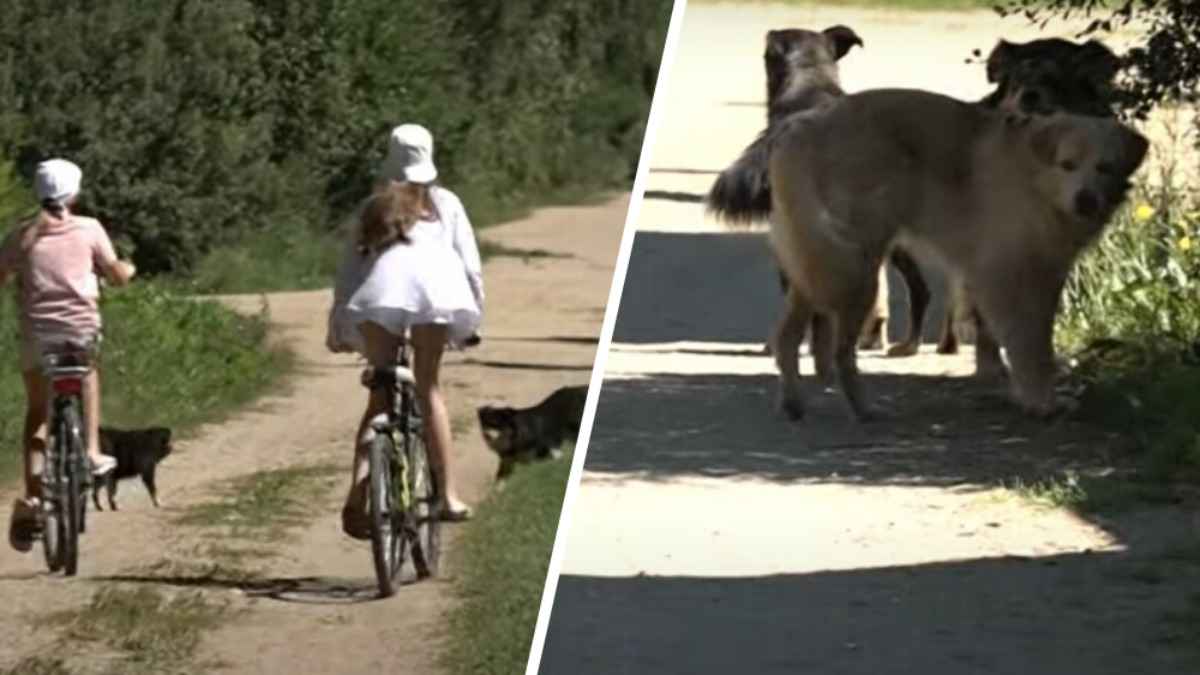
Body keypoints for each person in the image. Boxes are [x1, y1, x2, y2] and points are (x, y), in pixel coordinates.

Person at [326, 124, 483, 539]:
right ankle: (447, 495)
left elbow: (350, 269)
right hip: (435, 294)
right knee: (428, 386)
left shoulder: (373, 206)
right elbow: (469, 264)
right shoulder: (445, 203)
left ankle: (356, 494)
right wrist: (472, 318)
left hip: (381, 293)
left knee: (380, 391)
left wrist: (338, 321)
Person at [2, 158, 137, 552]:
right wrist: (124, 270)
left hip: (37, 335)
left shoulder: (21, 235)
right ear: (74, 193)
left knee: (37, 412)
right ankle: (92, 450)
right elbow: (115, 273)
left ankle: (31, 499)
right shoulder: (90, 228)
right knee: (88, 373)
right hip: (80, 332)